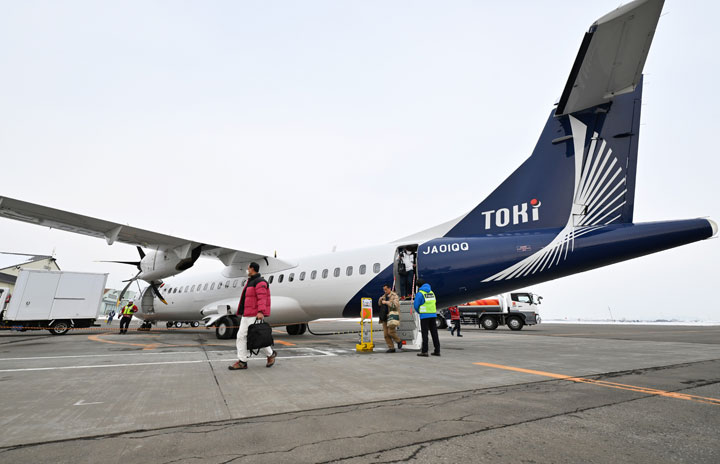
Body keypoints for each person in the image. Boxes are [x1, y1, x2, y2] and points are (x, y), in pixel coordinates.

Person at [229, 262, 277, 370]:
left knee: (258, 337)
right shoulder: (250, 281)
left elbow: (262, 298)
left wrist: (261, 311)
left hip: (254, 314)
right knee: (241, 336)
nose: (247, 270)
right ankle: (242, 361)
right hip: (246, 314)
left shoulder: (260, 282)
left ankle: (270, 354)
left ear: (252, 269)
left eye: (248, 268)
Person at [413, 280, 440, 357]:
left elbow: (416, 305)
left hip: (424, 315)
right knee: (434, 333)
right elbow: (434, 302)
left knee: (425, 334)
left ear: (419, 286)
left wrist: (419, 311)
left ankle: (425, 351)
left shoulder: (420, 293)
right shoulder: (431, 292)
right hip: (433, 315)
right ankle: (437, 350)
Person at [378, 284, 403, 353]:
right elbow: (379, 304)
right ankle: (391, 347)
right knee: (386, 334)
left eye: (386, 289)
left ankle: (398, 341)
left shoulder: (394, 296)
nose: (385, 291)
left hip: (392, 316)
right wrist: (380, 300)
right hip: (384, 317)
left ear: (389, 289)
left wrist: (386, 302)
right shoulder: (384, 296)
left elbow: (395, 305)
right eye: (384, 290)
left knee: (391, 332)